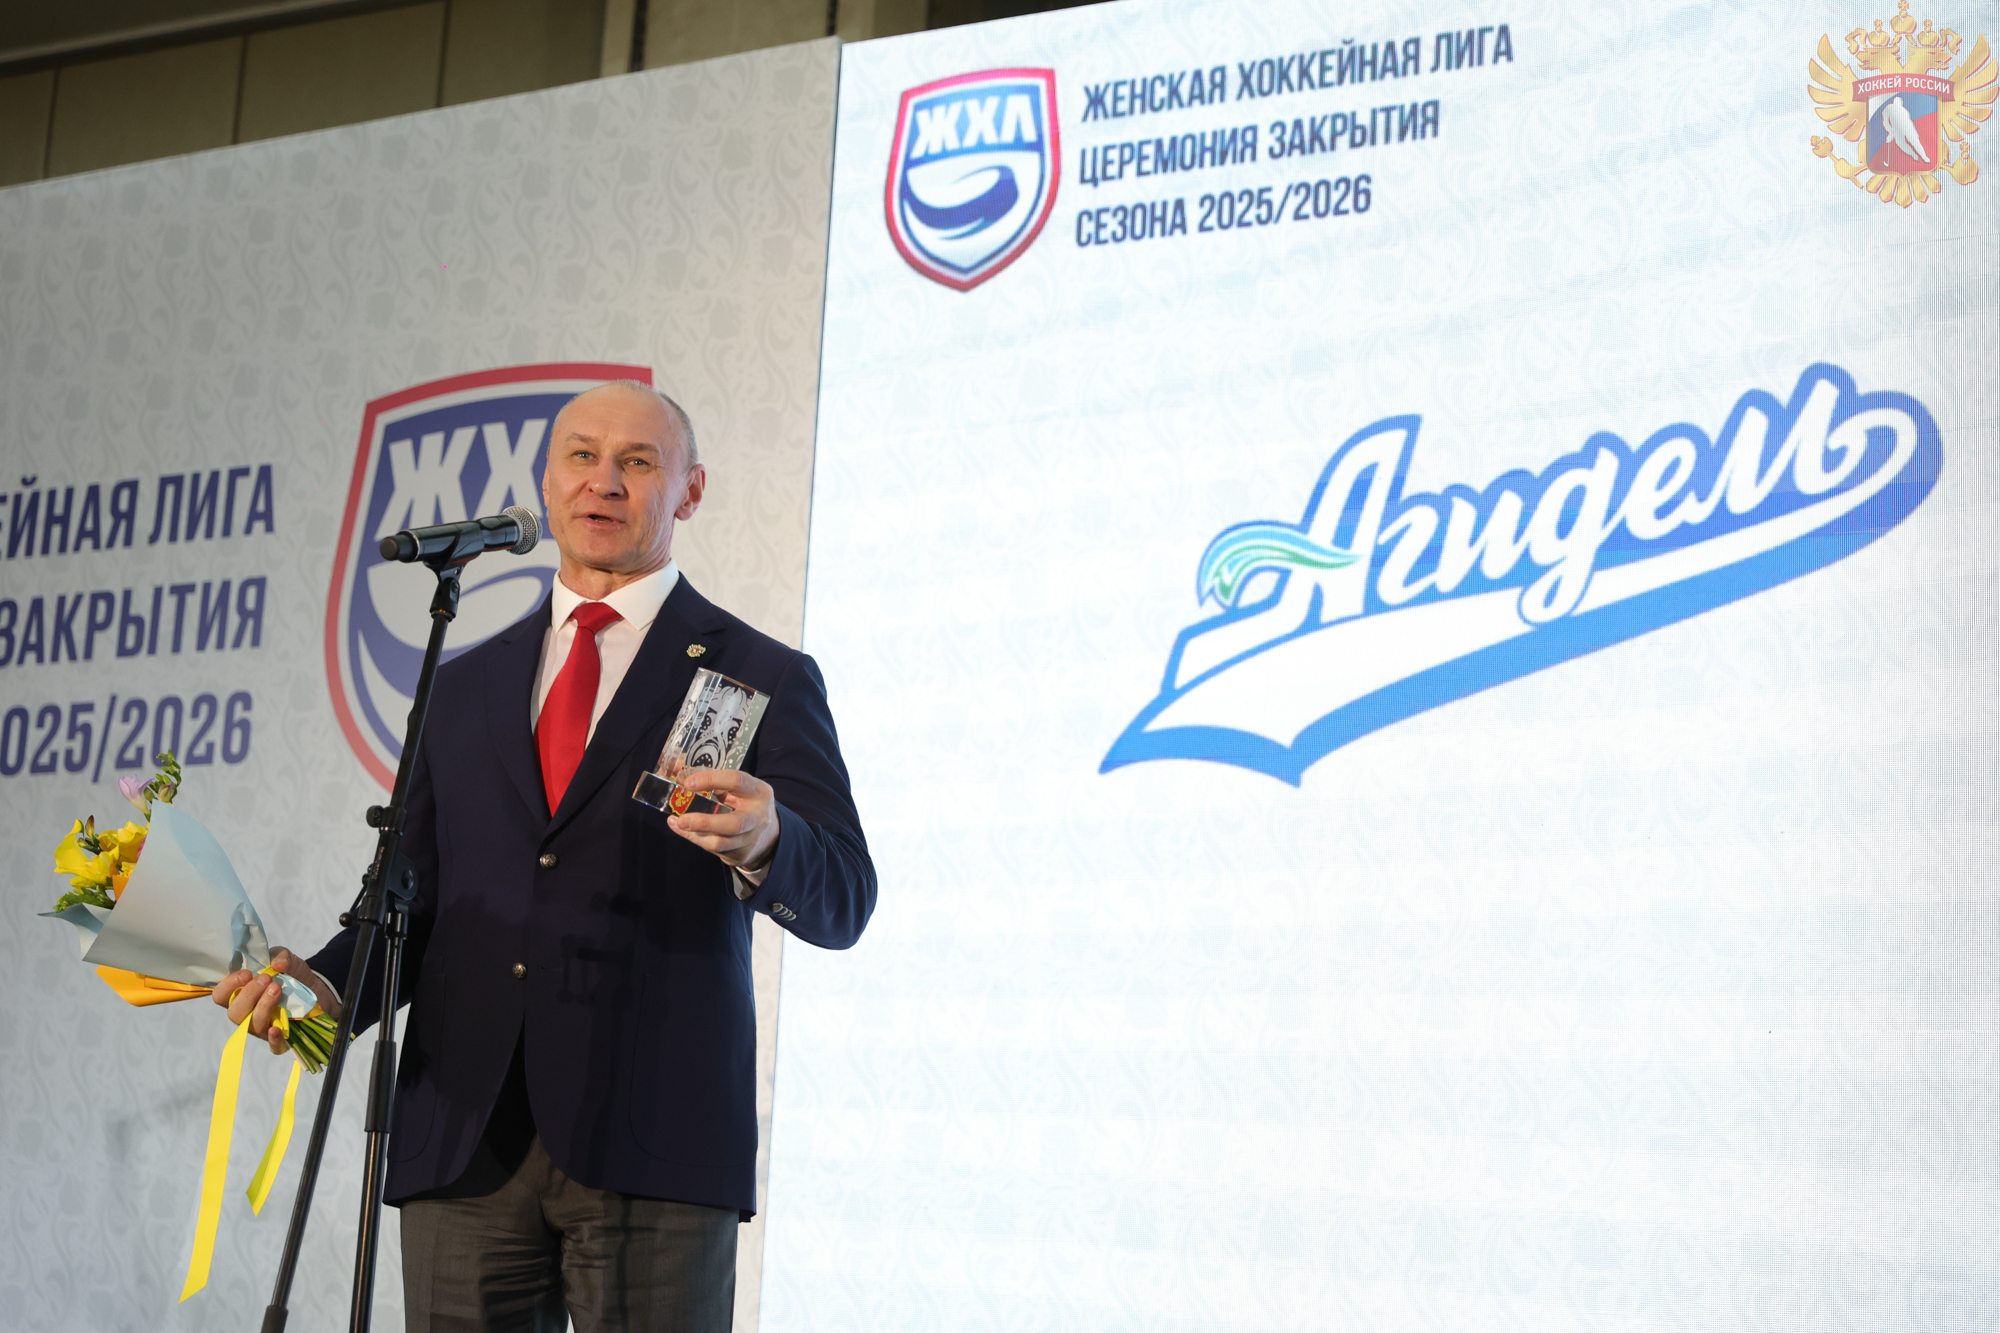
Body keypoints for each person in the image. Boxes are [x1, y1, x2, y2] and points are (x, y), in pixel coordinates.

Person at [214, 380, 875, 1332]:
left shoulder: (760, 672)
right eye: (582, 456)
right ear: (546, 478)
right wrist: (320, 988)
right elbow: (409, 900)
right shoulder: (463, 681)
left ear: (689, 491)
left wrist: (772, 841)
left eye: (637, 462)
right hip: (464, 1146)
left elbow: (846, 895)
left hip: (655, 1146)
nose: (604, 481)